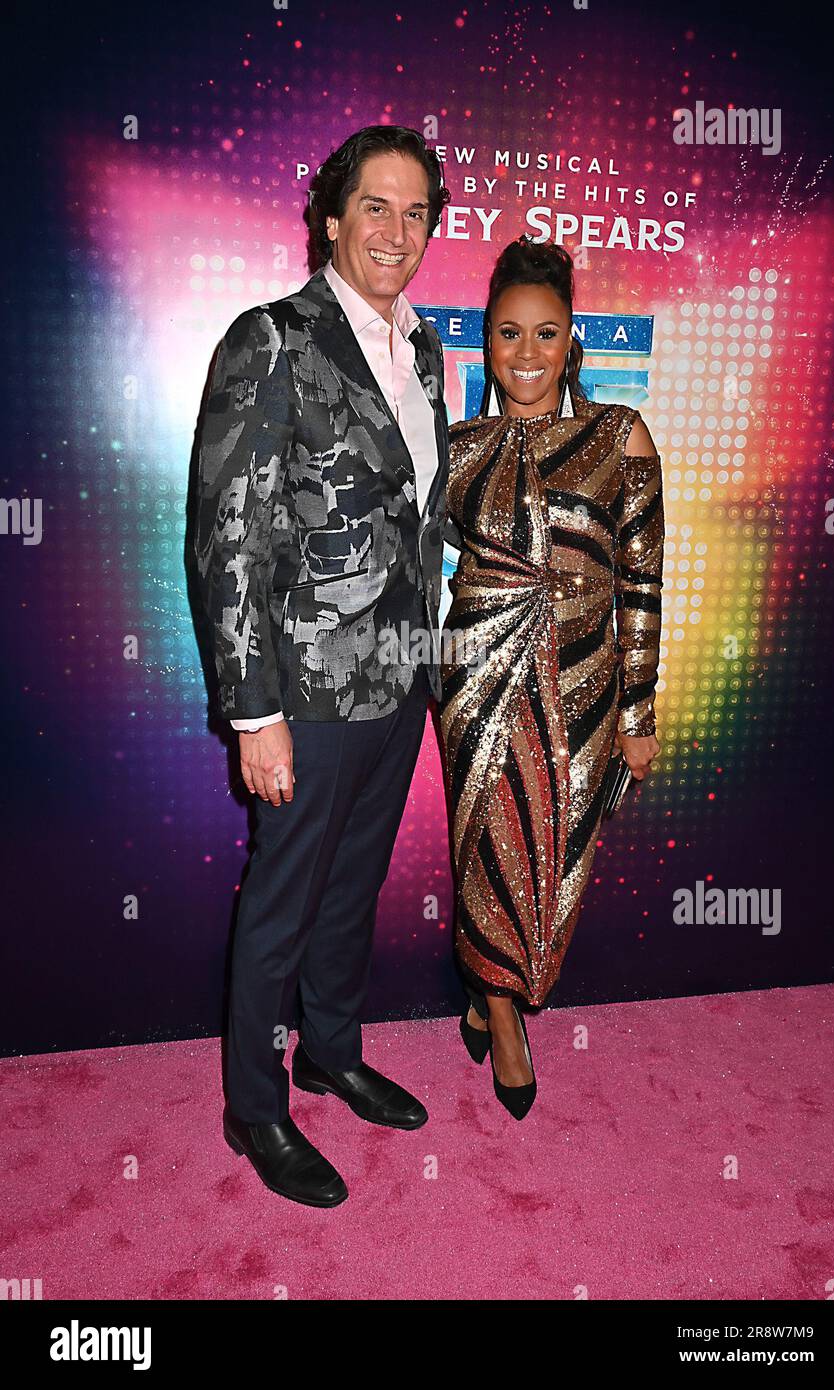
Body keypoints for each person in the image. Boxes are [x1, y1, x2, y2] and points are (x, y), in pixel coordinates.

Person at [193, 126, 451, 1205]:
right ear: (331, 218)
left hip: (400, 675)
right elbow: (228, 536)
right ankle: (254, 1106)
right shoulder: (273, 340)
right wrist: (255, 714)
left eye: (416, 212)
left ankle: (331, 1050)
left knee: (354, 884)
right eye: (374, 208)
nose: (396, 232)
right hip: (303, 686)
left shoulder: (425, 347)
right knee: (285, 899)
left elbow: (418, 510)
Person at [439, 236, 665, 1119]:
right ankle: (502, 1014)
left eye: (546, 334)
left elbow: (643, 582)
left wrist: (640, 712)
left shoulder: (619, 435)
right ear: (484, 344)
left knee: (552, 860)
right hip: (476, 673)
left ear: (572, 341)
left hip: (585, 683)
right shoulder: (453, 449)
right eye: (507, 334)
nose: (526, 354)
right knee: (486, 845)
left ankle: (483, 980)